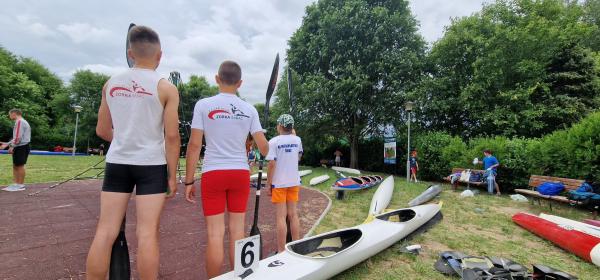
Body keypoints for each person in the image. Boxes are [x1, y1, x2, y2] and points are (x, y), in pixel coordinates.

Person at [86, 25, 180, 280]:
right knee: (147, 233)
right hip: (152, 166)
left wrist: (125, 139)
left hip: (118, 163)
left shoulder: (110, 84)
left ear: (130, 53)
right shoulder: (166, 88)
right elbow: (172, 138)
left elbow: (103, 130)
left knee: (105, 230)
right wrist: (173, 177)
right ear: (160, 55)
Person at [184, 60, 268, 278]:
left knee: (214, 234)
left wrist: (189, 180)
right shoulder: (249, 109)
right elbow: (265, 149)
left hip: (213, 173)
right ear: (240, 83)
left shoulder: (203, 105)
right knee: (238, 233)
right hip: (239, 173)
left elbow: (194, 146)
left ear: (217, 79)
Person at [266, 114, 303, 252]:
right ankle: (296, 245)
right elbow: (298, 157)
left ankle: (281, 251)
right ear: (291, 127)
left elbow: (271, 164)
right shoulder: (297, 140)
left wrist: (268, 184)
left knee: (281, 217)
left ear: (280, 126)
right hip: (293, 181)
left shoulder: (274, 141)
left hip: (279, 183)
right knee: (293, 215)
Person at [0, 109, 31, 192]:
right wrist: (7, 143)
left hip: (21, 147)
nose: (9, 116)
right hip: (20, 146)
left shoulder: (20, 122)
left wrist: (10, 145)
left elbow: (18, 138)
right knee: (15, 165)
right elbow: (16, 138)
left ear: (14, 114)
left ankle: (20, 185)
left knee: (19, 165)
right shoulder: (21, 121)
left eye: (9, 114)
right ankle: (16, 184)